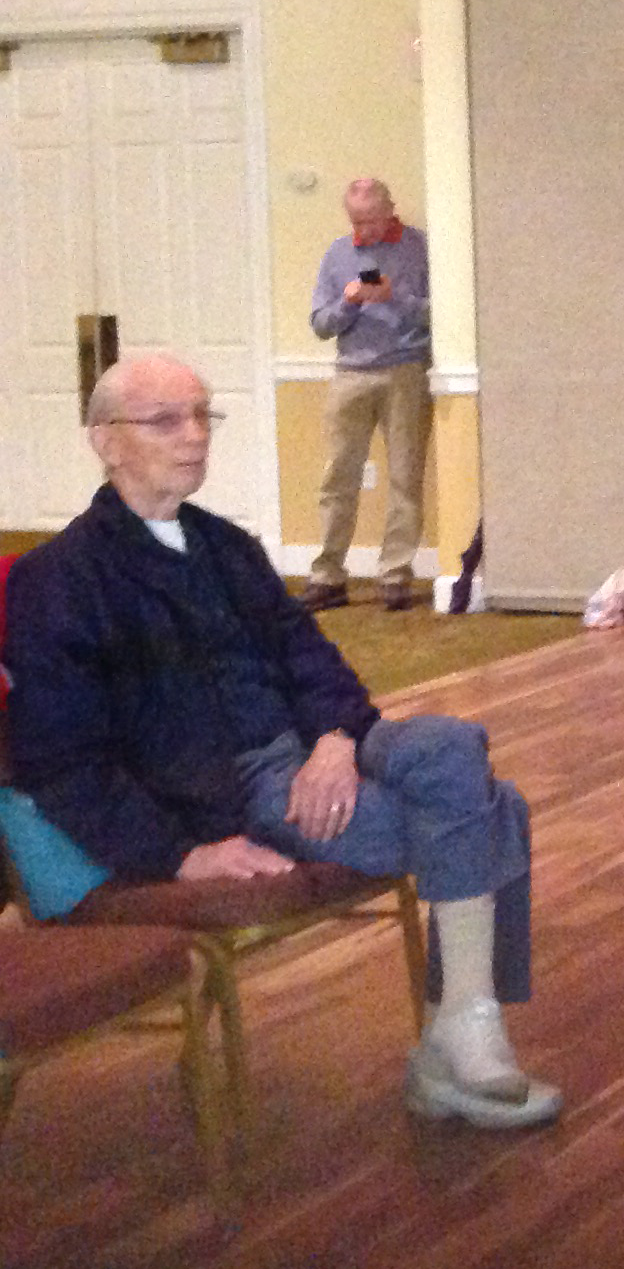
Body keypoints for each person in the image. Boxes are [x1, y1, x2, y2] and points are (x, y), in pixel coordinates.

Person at [1, 355, 556, 1128]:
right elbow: (62, 762)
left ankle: (453, 1043)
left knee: (451, 745)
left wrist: (334, 739)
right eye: (166, 420)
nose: (195, 436)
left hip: (321, 753)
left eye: (203, 415)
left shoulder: (228, 548)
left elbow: (313, 660)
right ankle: (458, 1041)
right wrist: (180, 855)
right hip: (238, 790)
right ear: (105, 440)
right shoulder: (60, 580)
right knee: (498, 810)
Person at [302, 177, 432, 612]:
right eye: (357, 221)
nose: (366, 230)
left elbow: (442, 314)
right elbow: (321, 325)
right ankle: (328, 574)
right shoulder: (337, 254)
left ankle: (395, 574)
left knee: (405, 477)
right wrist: (350, 302)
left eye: (373, 220)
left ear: (390, 209)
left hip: (406, 370)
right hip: (350, 374)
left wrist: (396, 297)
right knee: (338, 476)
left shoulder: (420, 248)